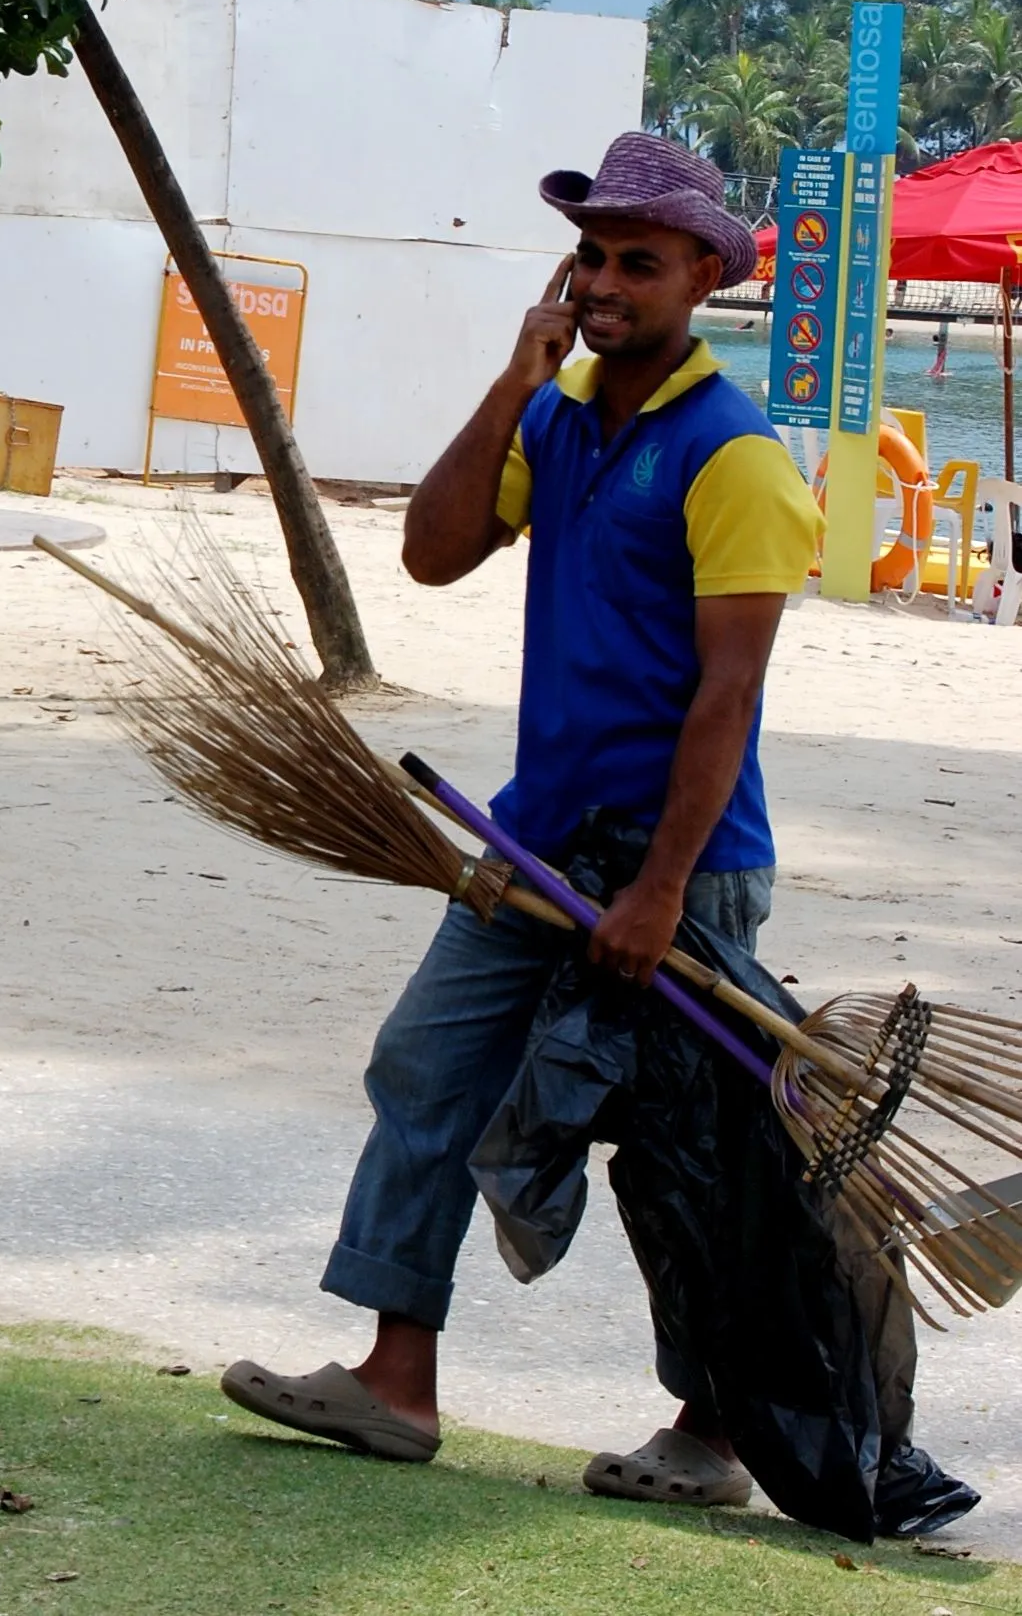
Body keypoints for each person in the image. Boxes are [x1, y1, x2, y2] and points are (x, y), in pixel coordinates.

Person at [221, 134, 823, 1506]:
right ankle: (394, 1380)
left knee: (694, 1144)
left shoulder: (735, 455)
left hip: (683, 863)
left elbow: (726, 696)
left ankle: (713, 1433)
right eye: (593, 256)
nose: (607, 282)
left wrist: (662, 888)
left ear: (702, 279)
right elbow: (432, 552)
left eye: (639, 261)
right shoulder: (551, 420)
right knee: (425, 1067)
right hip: (532, 843)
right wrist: (512, 380)